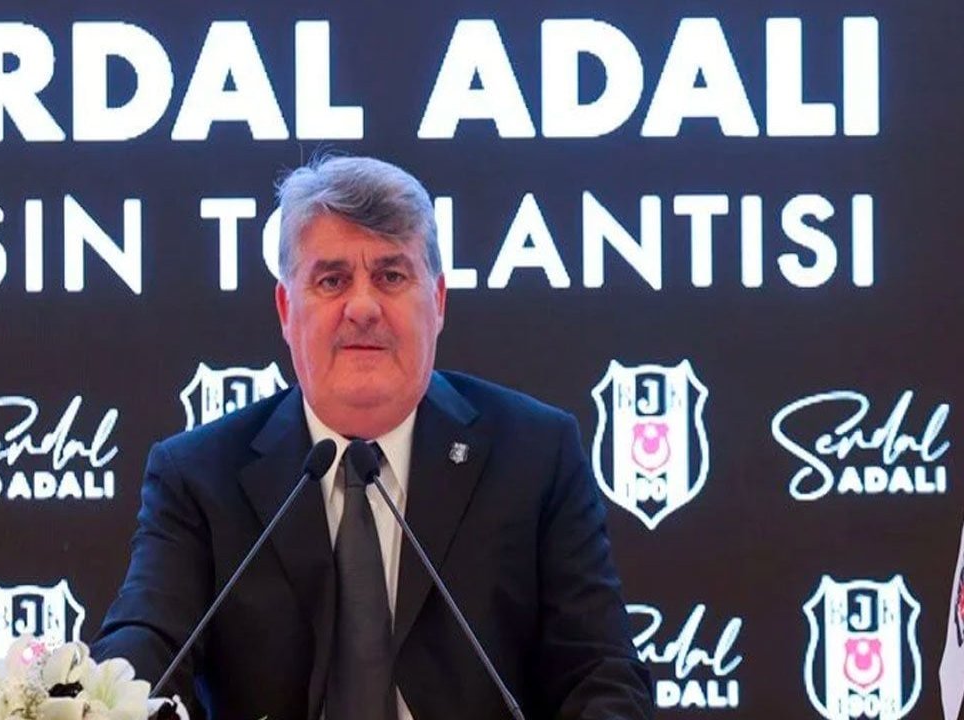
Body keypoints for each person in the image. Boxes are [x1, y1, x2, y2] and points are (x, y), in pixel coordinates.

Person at [91, 156, 653, 720]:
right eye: (332, 280)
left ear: (439, 302)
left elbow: (601, 674)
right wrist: (104, 700)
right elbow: (145, 647)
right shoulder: (198, 476)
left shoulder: (534, 456)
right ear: (286, 309)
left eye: (391, 276)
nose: (362, 308)